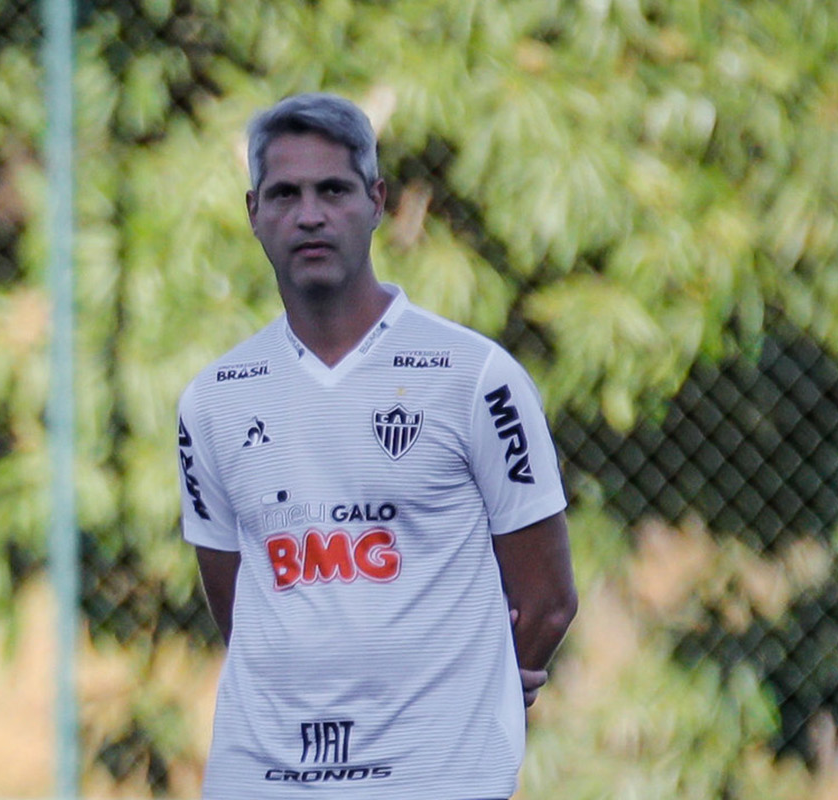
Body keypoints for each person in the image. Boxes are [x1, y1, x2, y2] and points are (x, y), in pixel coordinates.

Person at [174, 92, 578, 799]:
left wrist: (467, 701)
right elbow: (235, 598)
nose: (308, 214)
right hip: (260, 776)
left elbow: (546, 598)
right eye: (284, 193)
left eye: (332, 189)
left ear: (376, 200)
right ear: (252, 213)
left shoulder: (473, 377)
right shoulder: (214, 397)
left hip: (433, 774)